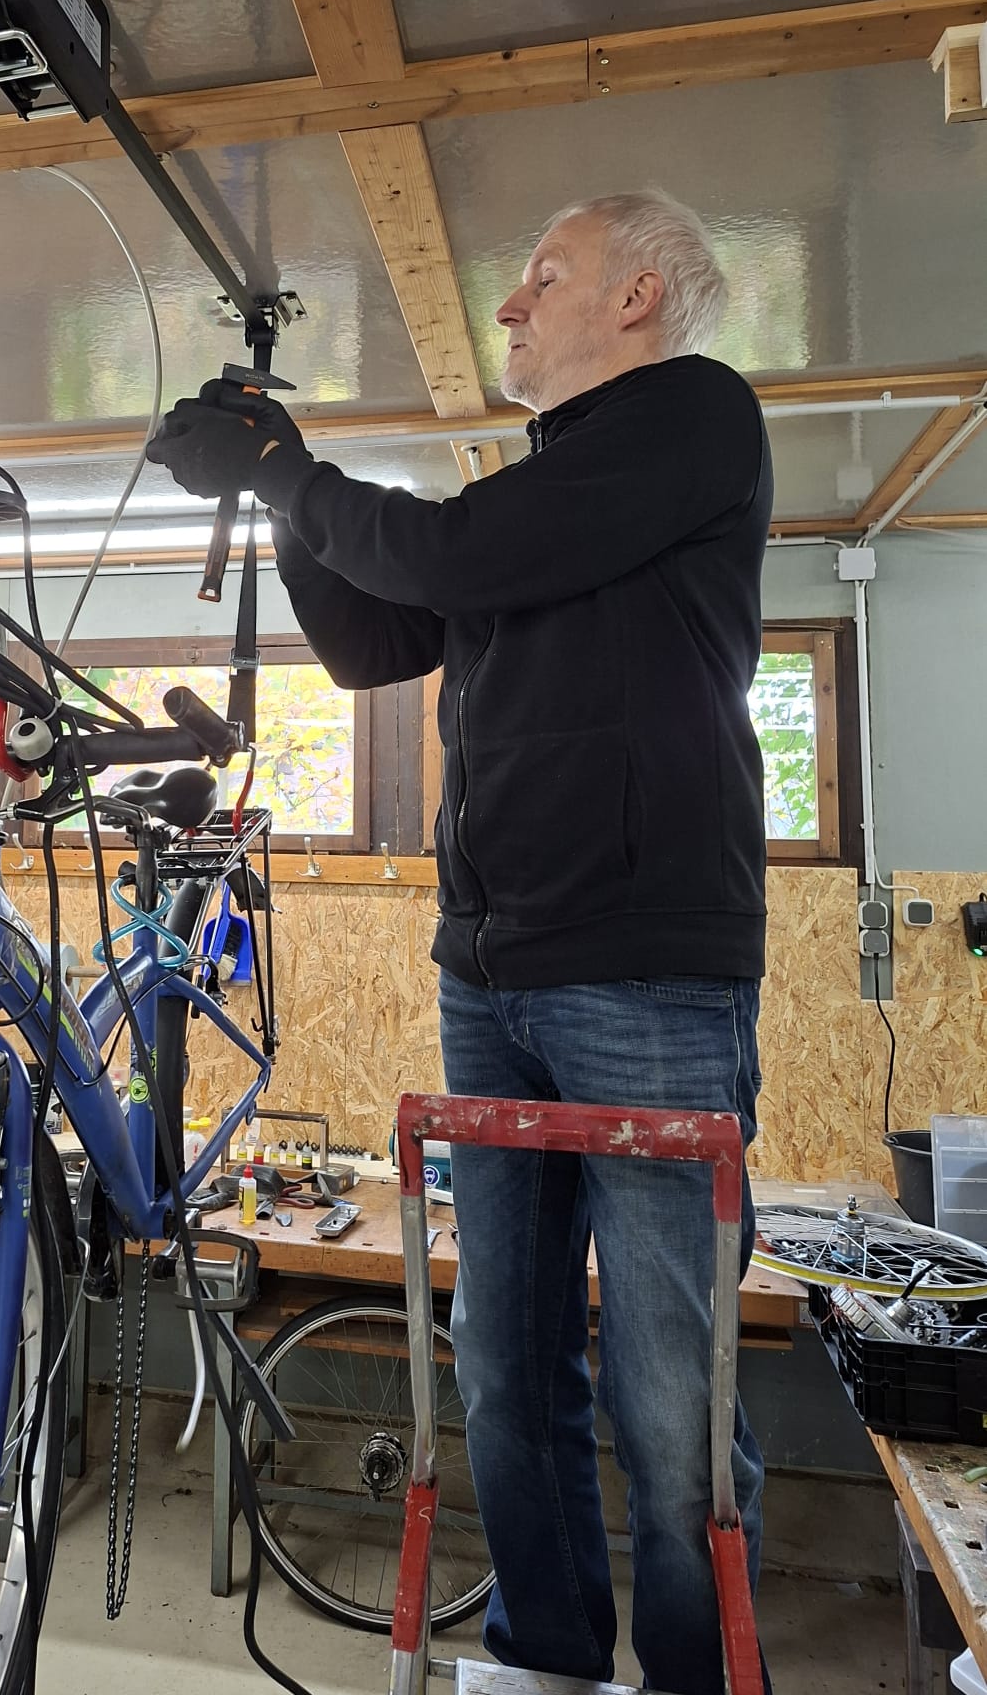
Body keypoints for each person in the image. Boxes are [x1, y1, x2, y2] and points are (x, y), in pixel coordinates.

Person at [147, 190, 773, 1695]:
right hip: (491, 975)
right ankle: (544, 1659)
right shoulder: (542, 497)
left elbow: (448, 555)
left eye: (542, 274)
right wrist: (280, 498)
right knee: (502, 1368)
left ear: (635, 297)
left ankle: (695, 1679)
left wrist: (288, 470)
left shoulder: (693, 418)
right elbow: (376, 637)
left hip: (643, 975)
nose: (509, 305)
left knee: (672, 1399)